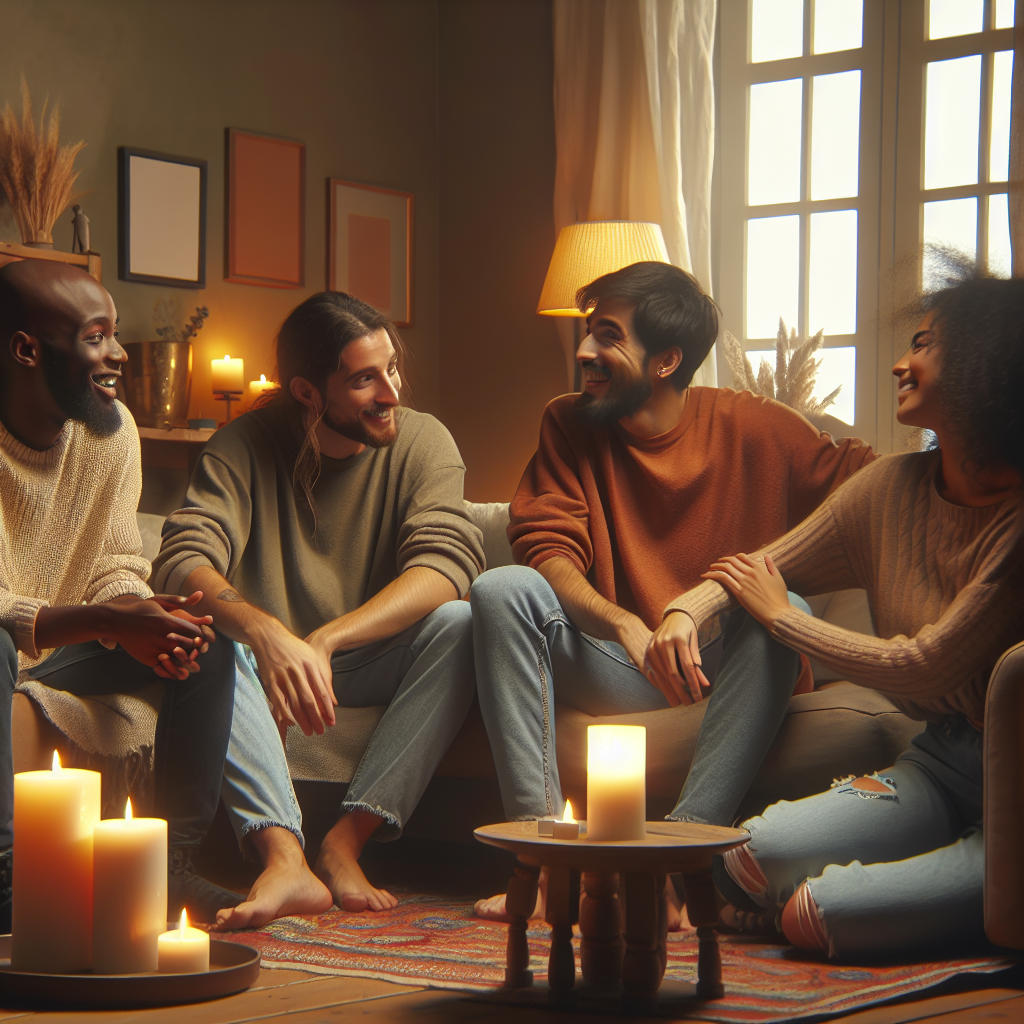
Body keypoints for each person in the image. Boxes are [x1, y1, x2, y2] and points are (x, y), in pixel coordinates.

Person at [470, 261, 875, 920]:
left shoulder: (756, 427)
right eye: (587, 332)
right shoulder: (568, 423)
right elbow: (547, 550)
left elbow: (874, 483)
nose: (584, 351)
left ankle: (678, 862)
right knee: (499, 588)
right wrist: (621, 622)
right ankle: (545, 865)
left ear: (666, 361)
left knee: (786, 611)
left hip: (726, 669)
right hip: (620, 663)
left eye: (607, 335)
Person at [665, 266, 1022, 959]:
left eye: (924, 345)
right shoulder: (890, 488)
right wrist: (687, 609)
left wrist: (784, 620)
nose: (900, 363)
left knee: (815, 916)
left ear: (985, 364)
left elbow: (926, 666)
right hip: (942, 762)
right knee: (744, 859)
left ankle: (875, 894)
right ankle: (904, 880)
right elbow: (768, 567)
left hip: (1019, 791)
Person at [153, 290, 485, 929]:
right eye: (364, 380)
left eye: (392, 368)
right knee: (208, 633)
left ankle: (345, 842)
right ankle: (285, 860)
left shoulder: (424, 441)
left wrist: (326, 640)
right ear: (307, 392)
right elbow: (182, 559)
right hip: (263, 672)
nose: (390, 392)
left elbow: (446, 567)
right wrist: (266, 632)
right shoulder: (243, 444)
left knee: (464, 622)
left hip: (371, 661)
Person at [0, 259, 239, 933]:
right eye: (96, 336)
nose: (118, 353)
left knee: (203, 638)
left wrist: (138, 610)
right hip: (10, 646)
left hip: (65, 649)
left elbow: (113, 559)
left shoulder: (112, 431)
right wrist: (108, 619)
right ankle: (5, 873)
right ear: (26, 350)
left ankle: (169, 866)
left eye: (114, 333)